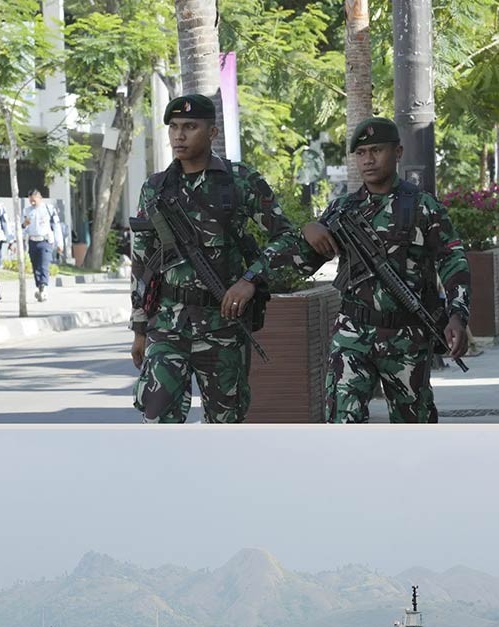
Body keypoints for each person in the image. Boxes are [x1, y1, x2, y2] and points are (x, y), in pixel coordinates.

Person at [255, 117, 470, 423]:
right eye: (361, 152)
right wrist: (304, 233)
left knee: (416, 428)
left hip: (406, 334)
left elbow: (453, 261)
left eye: (377, 150)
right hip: (352, 332)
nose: (368, 160)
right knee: (343, 422)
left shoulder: (423, 207)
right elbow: (302, 260)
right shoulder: (342, 208)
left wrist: (457, 315)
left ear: (398, 152)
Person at [129, 93, 295, 423]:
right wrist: (139, 328)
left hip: (223, 326)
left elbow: (287, 236)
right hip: (167, 324)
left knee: (225, 428)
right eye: (174, 127)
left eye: (190, 127)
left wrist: (250, 281)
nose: (179, 135)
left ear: (212, 132)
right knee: (156, 420)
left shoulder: (240, 181)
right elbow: (142, 261)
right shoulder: (155, 188)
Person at [22, 190, 63, 302]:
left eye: (34, 200)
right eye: (30, 201)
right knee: (35, 266)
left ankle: (43, 287)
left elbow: (56, 226)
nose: (32, 203)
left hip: (45, 241)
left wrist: (60, 243)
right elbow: (23, 228)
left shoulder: (49, 209)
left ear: (40, 198)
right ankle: (39, 286)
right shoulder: (27, 211)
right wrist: (23, 227)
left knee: (43, 265)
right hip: (33, 241)